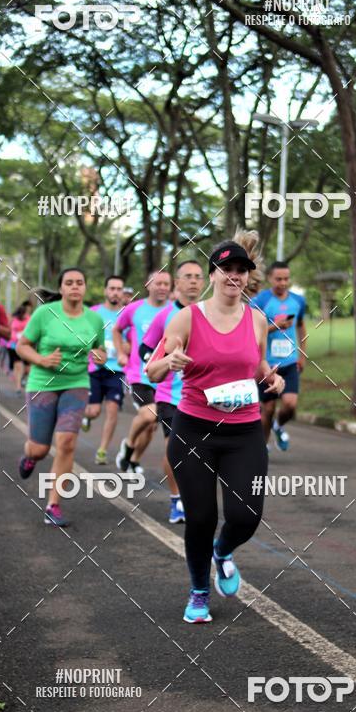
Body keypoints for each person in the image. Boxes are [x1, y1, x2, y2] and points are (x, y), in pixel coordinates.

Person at [150, 239, 284, 623]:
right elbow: (152, 370)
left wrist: (270, 378)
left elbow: (256, 362)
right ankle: (198, 592)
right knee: (202, 517)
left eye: (241, 270)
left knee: (246, 515)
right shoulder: (187, 318)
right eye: (227, 269)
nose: (234, 276)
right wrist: (170, 360)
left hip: (244, 432)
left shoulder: (256, 318)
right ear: (213, 275)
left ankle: (222, 552)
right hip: (194, 432)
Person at [16, 268, 106, 526]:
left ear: (85, 287)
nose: (75, 287)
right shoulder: (45, 313)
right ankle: (30, 457)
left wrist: (101, 356)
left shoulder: (94, 319)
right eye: (70, 283)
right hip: (43, 382)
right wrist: (42, 360)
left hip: (76, 383)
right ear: (62, 288)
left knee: (66, 442)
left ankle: (53, 505)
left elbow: (100, 350)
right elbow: (22, 346)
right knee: (40, 448)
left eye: (80, 282)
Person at [142, 260, 205, 523]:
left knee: (199, 453)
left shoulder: (209, 313)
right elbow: (144, 349)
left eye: (198, 277)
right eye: (187, 276)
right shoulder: (164, 316)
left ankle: (195, 496)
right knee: (174, 448)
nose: (193, 281)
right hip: (170, 394)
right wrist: (163, 362)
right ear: (177, 283)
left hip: (202, 397)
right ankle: (176, 499)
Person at [113, 271, 172, 473]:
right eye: (158, 283)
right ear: (148, 285)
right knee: (149, 415)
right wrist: (121, 352)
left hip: (165, 379)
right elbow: (116, 329)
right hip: (139, 375)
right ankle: (128, 445)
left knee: (152, 425)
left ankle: (133, 459)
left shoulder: (176, 311)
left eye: (166, 283)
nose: (163, 287)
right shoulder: (134, 309)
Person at [250, 261, 307, 450]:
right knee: (268, 408)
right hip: (266, 363)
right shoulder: (260, 301)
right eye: (278, 279)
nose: (283, 283)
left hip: (289, 362)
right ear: (269, 279)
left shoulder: (298, 301)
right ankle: (262, 448)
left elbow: (300, 326)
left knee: (290, 405)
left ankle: (279, 425)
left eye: (286, 279)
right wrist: (276, 327)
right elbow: (252, 332)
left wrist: (302, 355)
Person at [82, 275, 126, 465]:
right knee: (93, 411)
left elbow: (133, 342)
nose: (115, 292)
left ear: (122, 292)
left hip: (117, 370)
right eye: (112, 288)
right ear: (105, 291)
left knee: (113, 410)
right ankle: (87, 417)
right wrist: (93, 352)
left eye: (119, 289)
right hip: (95, 369)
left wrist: (123, 349)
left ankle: (102, 450)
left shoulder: (126, 314)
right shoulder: (93, 313)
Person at [9, 302, 32, 394]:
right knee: (18, 366)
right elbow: (8, 330)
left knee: (27, 368)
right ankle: (18, 387)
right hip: (14, 345)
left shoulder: (29, 319)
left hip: (26, 345)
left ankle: (23, 377)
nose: (21, 316)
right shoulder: (13, 319)